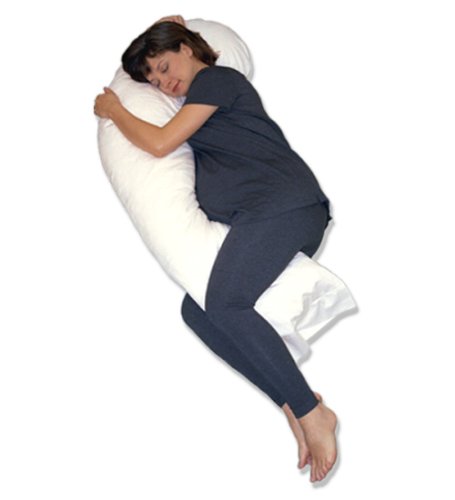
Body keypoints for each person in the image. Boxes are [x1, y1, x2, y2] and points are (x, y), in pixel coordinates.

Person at [94, 16, 338, 483]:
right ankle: (293, 405)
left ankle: (312, 413)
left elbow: (160, 143)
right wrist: (169, 34)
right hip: (259, 219)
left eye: (165, 66)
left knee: (225, 303)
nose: (163, 82)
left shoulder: (216, 80)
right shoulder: (197, 102)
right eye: (153, 80)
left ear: (188, 49)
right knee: (198, 310)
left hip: (287, 207)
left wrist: (114, 109)